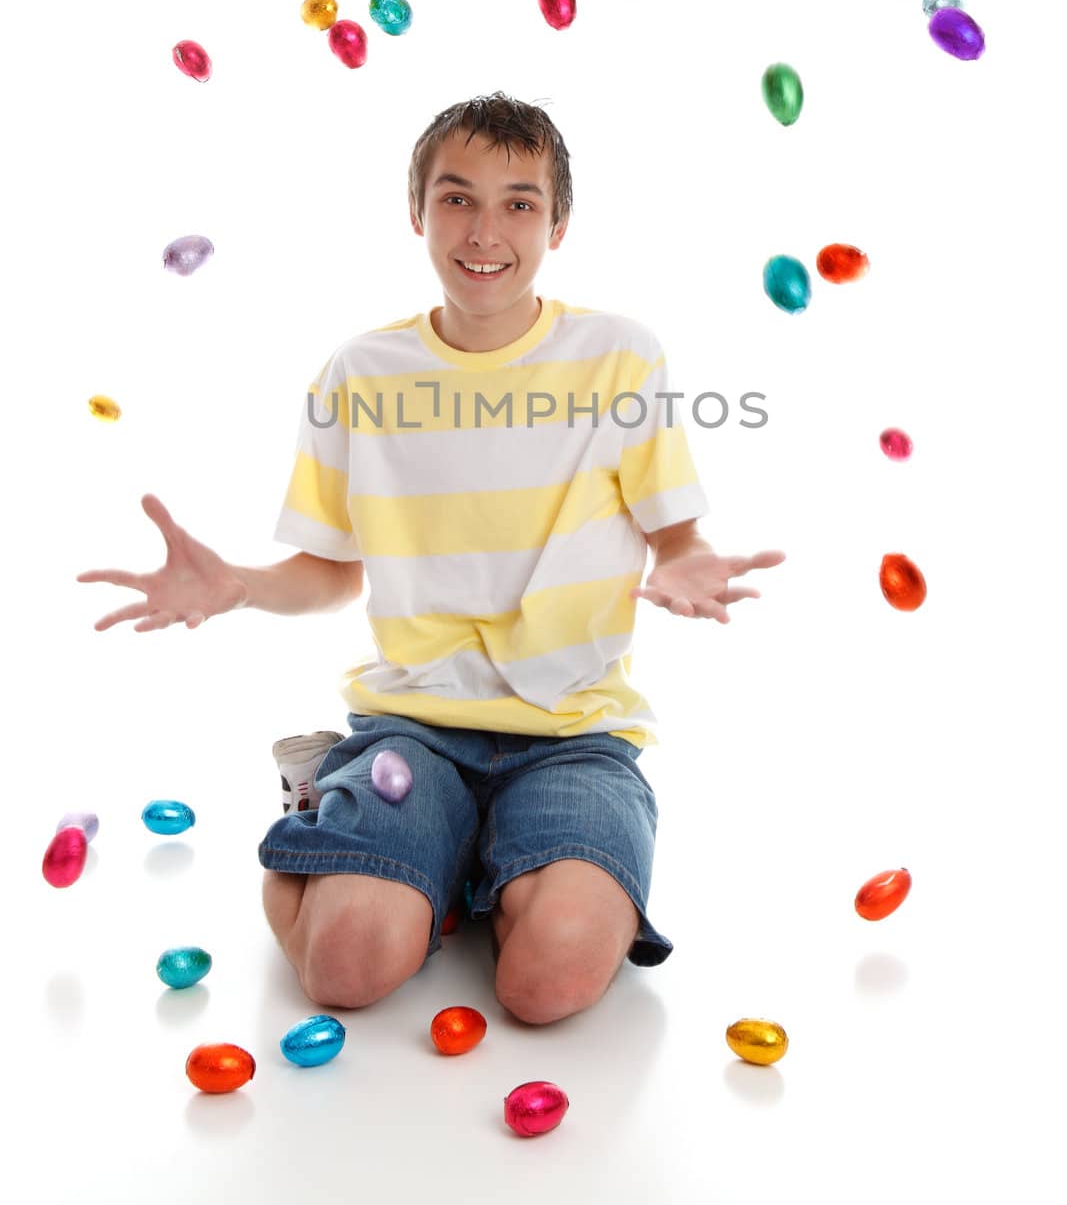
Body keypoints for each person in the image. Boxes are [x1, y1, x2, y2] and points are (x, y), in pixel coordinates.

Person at [77, 92, 785, 1026]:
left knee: (551, 985)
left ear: (557, 224)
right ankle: (339, 810)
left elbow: (672, 530)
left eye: (519, 203)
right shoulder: (359, 375)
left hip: (573, 731)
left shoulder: (619, 356)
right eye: (456, 198)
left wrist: (688, 559)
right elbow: (330, 571)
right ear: (417, 214)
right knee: (344, 970)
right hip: (413, 729)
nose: (484, 229)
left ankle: (467, 856)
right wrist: (238, 587)